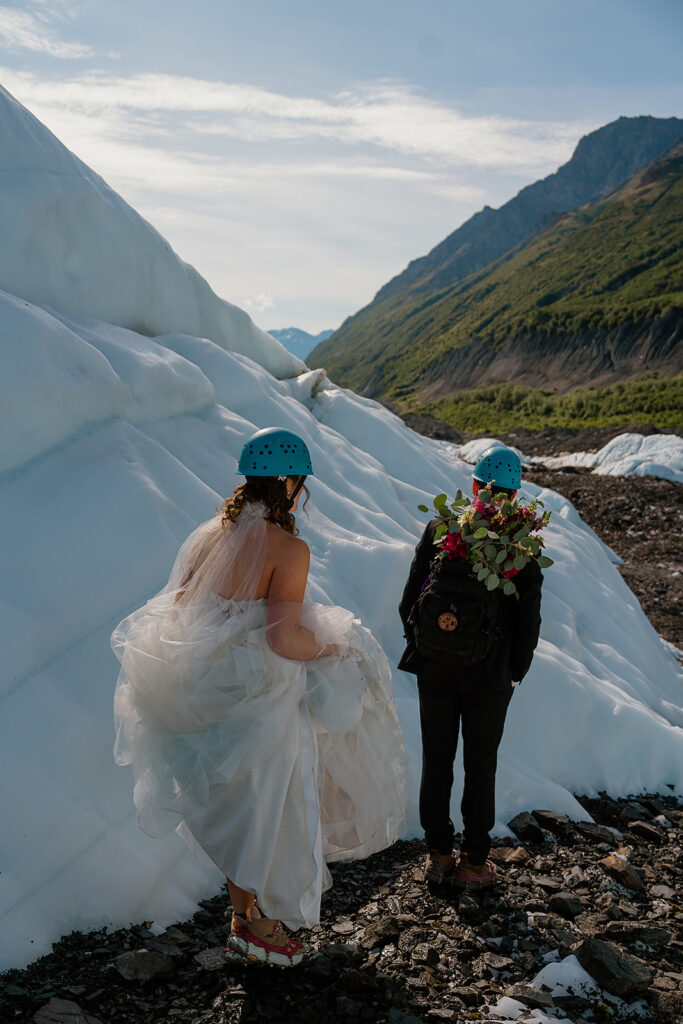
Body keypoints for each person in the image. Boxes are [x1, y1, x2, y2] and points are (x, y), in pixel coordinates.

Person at [112, 427, 407, 966]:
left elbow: (183, 609)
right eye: (302, 484)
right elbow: (281, 638)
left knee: (240, 806)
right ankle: (256, 925)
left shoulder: (208, 537)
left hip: (201, 687)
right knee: (273, 806)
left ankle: (244, 916)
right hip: (262, 694)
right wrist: (334, 650)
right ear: (290, 482)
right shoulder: (288, 548)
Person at [398, 446, 543, 889]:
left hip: (436, 668)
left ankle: (439, 854)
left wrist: (426, 646)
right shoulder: (521, 549)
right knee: (481, 765)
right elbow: (528, 624)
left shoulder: (442, 529)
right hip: (490, 676)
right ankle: (474, 863)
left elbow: (410, 601)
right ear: (515, 494)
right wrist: (512, 673)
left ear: (476, 486)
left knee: (436, 760)